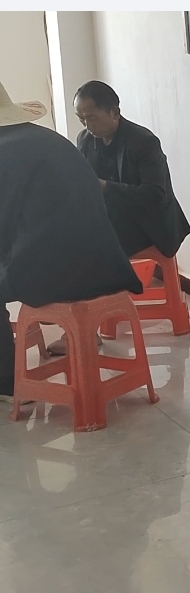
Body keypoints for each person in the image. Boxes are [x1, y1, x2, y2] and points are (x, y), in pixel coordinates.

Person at [0, 81, 143, 403]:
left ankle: (8, 384)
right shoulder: (47, 139)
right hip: (107, 262)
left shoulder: (4, 152)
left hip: (62, 272)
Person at [74, 80, 190, 259]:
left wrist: (105, 186)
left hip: (148, 228)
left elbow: (155, 194)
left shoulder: (144, 142)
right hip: (114, 227)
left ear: (115, 112)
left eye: (92, 118)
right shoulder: (85, 140)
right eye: (81, 119)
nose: (87, 126)